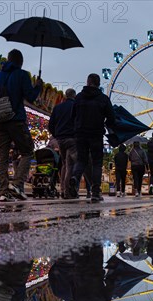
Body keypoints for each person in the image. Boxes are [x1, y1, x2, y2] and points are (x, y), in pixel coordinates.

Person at [0, 49, 43, 202]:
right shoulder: (22, 75)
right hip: (16, 120)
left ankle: (4, 191)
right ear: (20, 62)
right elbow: (30, 97)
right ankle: (17, 184)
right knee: (27, 151)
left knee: (2, 158)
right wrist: (38, 87)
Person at [68, 73, 115, 203]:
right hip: (96, 134)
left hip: (80, 134)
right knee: (96, 163)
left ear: (87, 82)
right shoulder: (103, 98)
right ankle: (95, 192)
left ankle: (76, 177)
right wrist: (107, 125)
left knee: (81, 160)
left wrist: (77, 127)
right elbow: (111, 118)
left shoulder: (78, 97)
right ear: (99, 84)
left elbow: (72, 116)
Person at [48, 88, 77, 199]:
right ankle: (67, 191)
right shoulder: (75, 107)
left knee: (64, 164)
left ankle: (63, 190)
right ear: (74, 96)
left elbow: (51, 125)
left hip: (60, 139)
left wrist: (56, 135)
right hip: (72, 138)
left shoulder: (58, 107)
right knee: (71, 165)